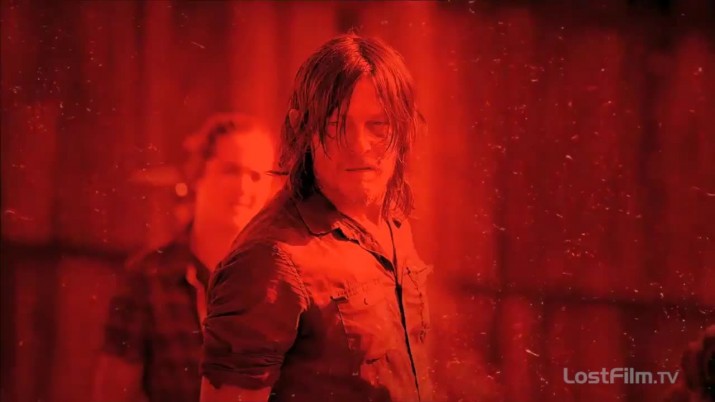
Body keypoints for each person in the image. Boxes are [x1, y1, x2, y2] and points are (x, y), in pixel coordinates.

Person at [200, 33, 434, 402]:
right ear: (302, 128)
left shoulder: (393, 221)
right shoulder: (269, 260)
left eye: (379, 125)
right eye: (337, 124)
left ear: (403, 129)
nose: (359, 145)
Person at [93, 113, 277, 402]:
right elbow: (112, 395)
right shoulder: (148, 277)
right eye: (231, 171)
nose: (244, 187)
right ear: (197, 176)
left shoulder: (283, 281)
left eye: (256, 176)